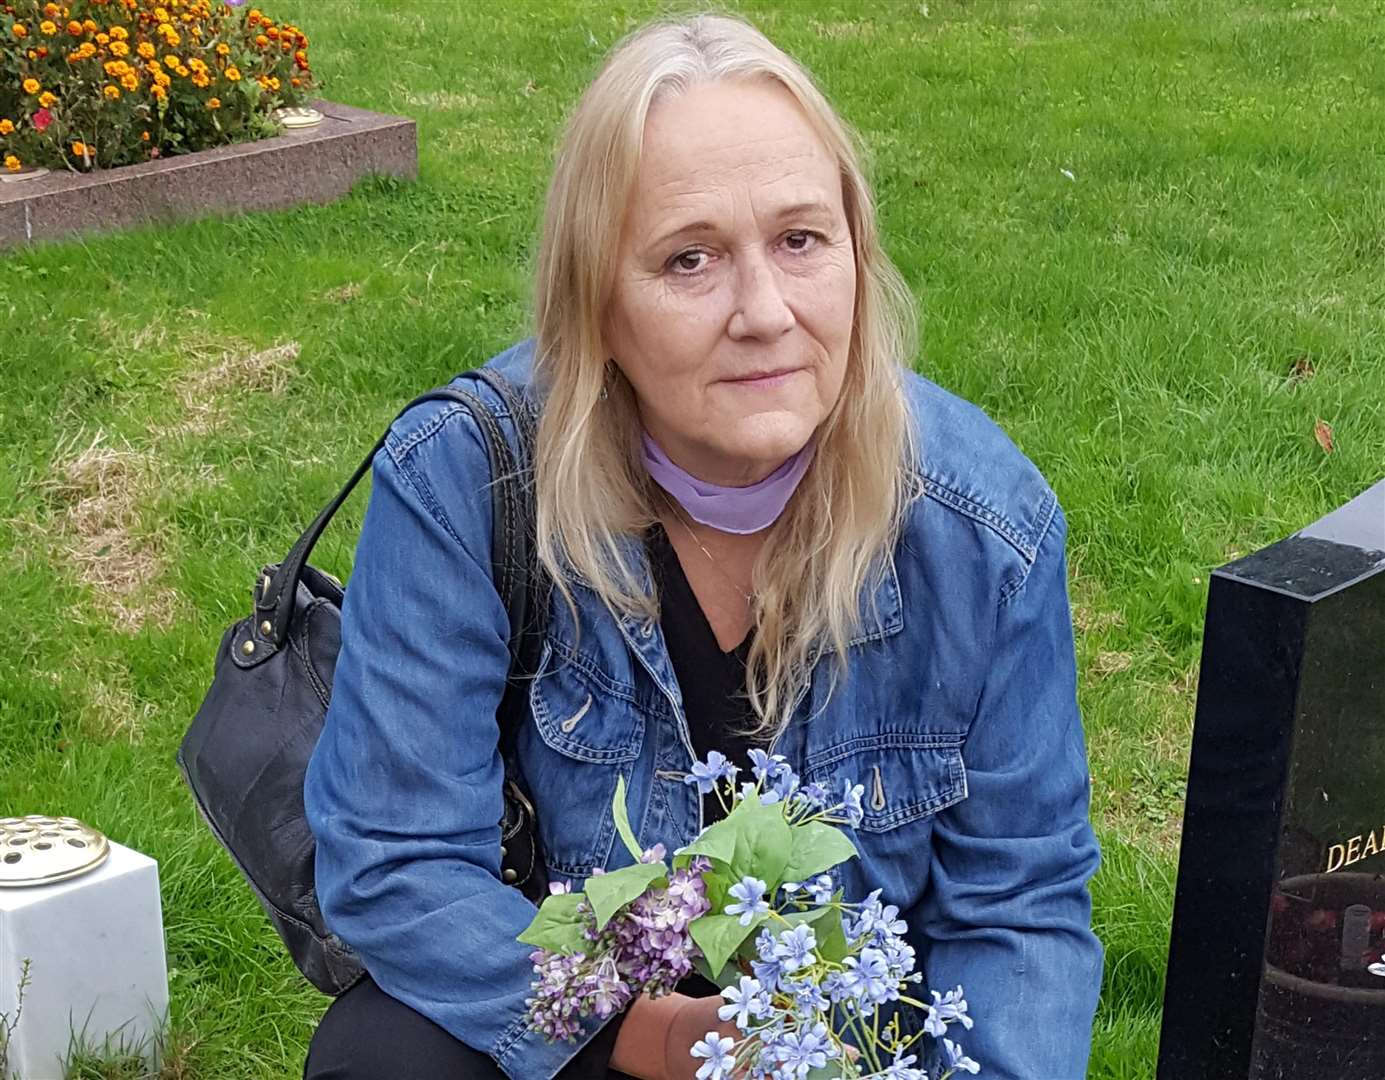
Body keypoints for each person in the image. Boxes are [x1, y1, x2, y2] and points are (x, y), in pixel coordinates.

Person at [302, 11, 1103, 1080]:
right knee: (382, 1056)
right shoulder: (464, 480)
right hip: (585, 1035)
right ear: (594, 305)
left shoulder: (981, 529)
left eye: (800, 241)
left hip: (841, 1050)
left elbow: (1018, 911)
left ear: (857, 259)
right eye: (688, 260)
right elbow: (397, 865)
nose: (763, 312)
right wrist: (666, 1042)